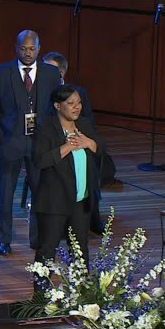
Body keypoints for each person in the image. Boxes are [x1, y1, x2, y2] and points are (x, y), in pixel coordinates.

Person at [0, 30, 61, 256]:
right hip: (10, 142)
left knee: (40, 192)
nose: (27, 53)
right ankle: (3, 239)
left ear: (39, 49)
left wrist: (54, 135)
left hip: (40, 144)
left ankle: (38, 239)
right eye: (23, 49)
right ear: (16, 48)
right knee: (5, 193)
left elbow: (58, 105)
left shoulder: (51, 73)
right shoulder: (2, 72)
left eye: (32, 49)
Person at [32, 84, 105, 282]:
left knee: (80, 250)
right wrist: (67, 147)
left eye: (79, 103)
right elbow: (40, 160)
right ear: (57, 106)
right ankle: (40, 295)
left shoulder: (84, 125)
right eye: (70, 103)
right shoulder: (46, 128)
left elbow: (101, 150)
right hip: (54, 202)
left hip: (81, 201)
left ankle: (81, 292)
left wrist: (89, 143)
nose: (76, 107)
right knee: (47, 251)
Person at [42, 51, 108, 235]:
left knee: (89, 166)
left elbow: (88, 122)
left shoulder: (78, 93)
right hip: (52, 145)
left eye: (48, 69)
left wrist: (82, 139)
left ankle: (92, 216)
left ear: (61, 73)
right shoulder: (41, 92)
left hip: (77, 142)